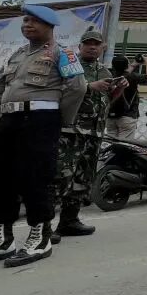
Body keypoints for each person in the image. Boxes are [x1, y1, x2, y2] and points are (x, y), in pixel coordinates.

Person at [0, 5, 86, 269]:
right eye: (26, 20)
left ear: (50, 26)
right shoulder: (17, 55)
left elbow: (77, 87)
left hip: (39, 122)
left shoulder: (62, 53)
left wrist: (56, 119)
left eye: (35, 21)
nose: (28, 25)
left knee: (35, 179)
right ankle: (2, 240)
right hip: (8, 122)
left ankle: (40, 238)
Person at [53, 28, 111, 242]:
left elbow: (107, 99)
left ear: (102, 47)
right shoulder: (69, 67)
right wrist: (89, 87)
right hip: (70, 131)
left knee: (82, 178)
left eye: (97, 44)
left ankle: (69, 221)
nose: (93, 47)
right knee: (61, 177)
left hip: (94, 132)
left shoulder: (104, 70)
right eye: (88, 43)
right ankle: (43, 226)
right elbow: (60, 89)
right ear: (80, 47)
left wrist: (118, 89)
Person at [106, 53, 147, 141]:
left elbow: (125, 72)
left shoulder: (110, 77)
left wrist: (135, 63)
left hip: (110, 117)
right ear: (127, 65)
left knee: (110, 143)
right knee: (123, 145)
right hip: (127, 116)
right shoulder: (132, 77)